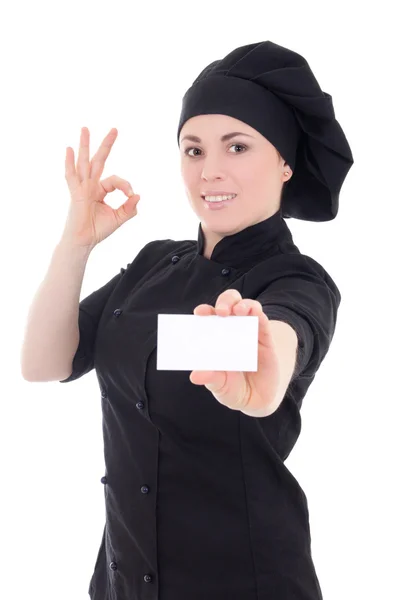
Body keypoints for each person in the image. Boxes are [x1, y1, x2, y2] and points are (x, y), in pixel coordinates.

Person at [21, 40, 353, 600]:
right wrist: (74, 244)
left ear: (285, 162)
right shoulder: (153, 262)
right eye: (193, 150)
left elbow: (284, 339)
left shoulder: (297, 280)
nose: (211, 171)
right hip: (124, 581)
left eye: (238, 146)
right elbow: (43, 364)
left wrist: (261, 370)